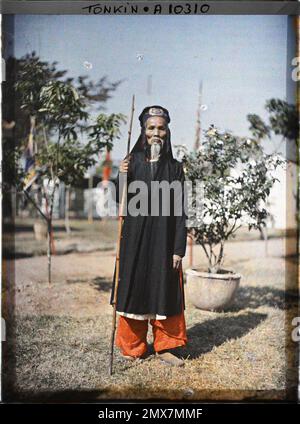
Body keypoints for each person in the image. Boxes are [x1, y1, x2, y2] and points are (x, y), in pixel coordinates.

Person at [110, 105, 187, 367]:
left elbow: (180, 211)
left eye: (161, 128)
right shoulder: (131, 164)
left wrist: (178, 249)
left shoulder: (175, 168)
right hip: (134, 243)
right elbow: (117, 200)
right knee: (134, 289)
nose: (156, 133)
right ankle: (133, 347)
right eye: (151, 128)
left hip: (164, 243)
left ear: (167, 132)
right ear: (143, 131)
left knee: (164, 290)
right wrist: (120, 176)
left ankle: (166, 347)